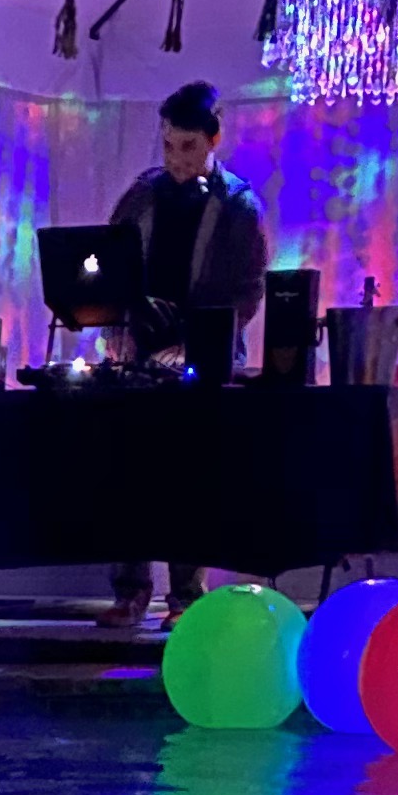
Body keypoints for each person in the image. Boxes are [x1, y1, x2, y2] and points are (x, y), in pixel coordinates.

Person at [100, 77, 269, 631]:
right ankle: (129, 591)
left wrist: (194, 344)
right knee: (128, 474)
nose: (176, 159)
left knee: (190, 475)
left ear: (214, 140)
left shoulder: (239, 205)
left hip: (205, 357)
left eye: (188, 147)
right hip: (140, 352)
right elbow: (107, 264)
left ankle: (186, 597)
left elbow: (248, 291)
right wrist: (117, 327)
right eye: (169, 145)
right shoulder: (142, 194)